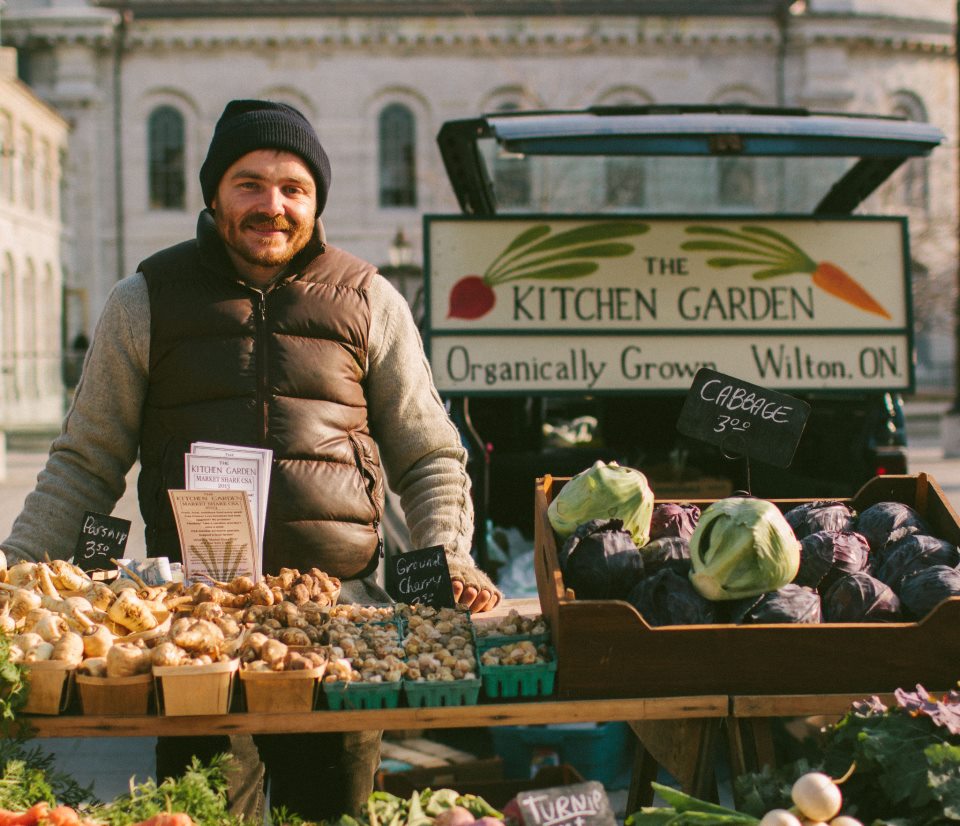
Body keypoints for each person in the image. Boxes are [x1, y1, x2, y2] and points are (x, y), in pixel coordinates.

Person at [1, 99, 501, 822]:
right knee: (204, 812)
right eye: (250, 184)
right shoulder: (146, 300)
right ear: (213, 195)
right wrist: (15, 570)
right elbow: (86, 461)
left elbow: (429, 456)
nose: (274, 205)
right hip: (195, 637)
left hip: (341, 632)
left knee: (330, 813)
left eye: (294, 188)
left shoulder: (369, 300)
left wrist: (449, 555)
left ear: (316, 200)